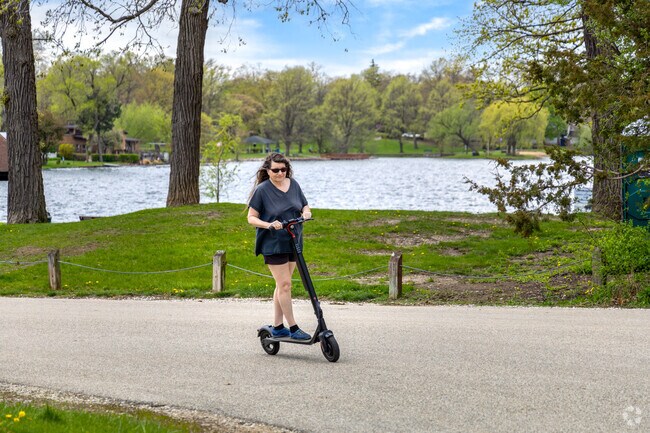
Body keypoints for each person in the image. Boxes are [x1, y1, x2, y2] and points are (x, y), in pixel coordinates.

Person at [247, 153, 312, 340]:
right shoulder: (262, 190)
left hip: (293, 240)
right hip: (273, 242)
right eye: (275, 170)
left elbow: (305, 206)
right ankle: (293, 328)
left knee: (281, 285)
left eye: (283, 169)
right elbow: (251, 217)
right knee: (285, 285)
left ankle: (277, 326)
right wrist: (268, 224)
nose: (280, 173)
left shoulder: (294, 185)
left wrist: (306, 213)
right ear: (268, 171)